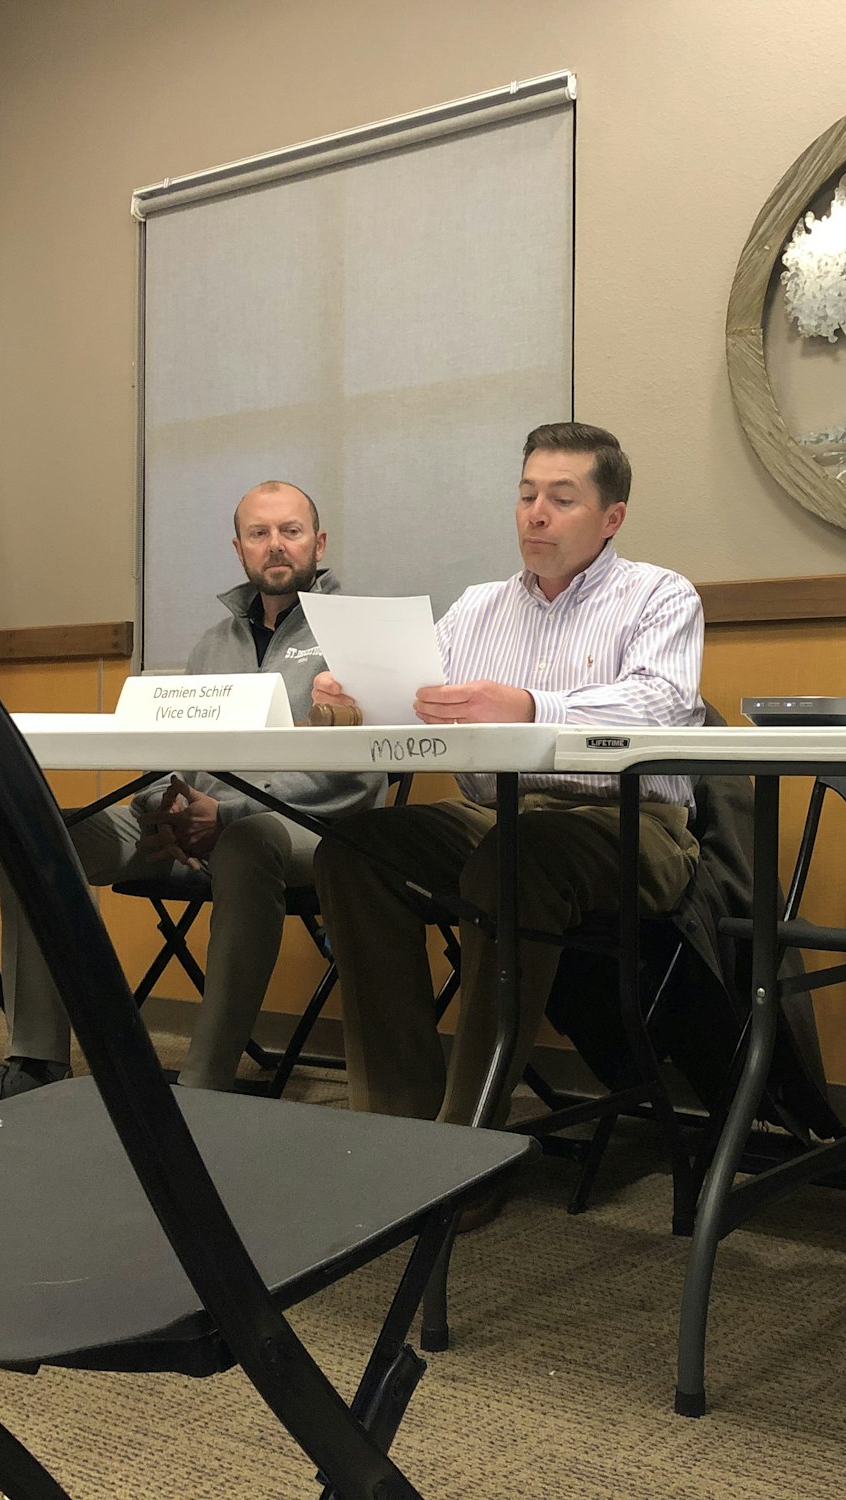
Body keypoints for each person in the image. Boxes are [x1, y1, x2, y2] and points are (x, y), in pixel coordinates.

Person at [0, 481, 380, 1116]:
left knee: (250, 842)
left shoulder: (357, 633)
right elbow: (174, 742)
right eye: (259, 533)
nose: (276, 545)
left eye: (291, 530)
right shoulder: (212, 643)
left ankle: (204, 1086)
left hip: (306, 834)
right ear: (239, 548)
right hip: (191, 831)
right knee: (35, 837)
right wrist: (170, 808)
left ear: (319, 541)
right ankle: (35, 1063)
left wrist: (227, 817)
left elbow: (360, 777)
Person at [309, 421, 704, 1132]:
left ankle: (466, 1144)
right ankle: (397, 1117)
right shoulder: (477, 606)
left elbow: (664, 706)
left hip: (629, 823)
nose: (536, 514)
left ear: (611, 518)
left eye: (561, 497)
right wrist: (359, 692)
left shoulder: (659, 596)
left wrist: (528, 706)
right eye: (526, 495)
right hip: (500, 814)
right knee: (356, 852)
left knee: (513, 862)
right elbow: (421, 695)